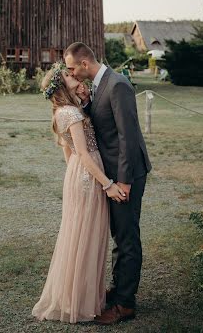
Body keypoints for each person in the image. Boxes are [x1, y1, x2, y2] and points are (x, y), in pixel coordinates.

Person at [64, 42, 152, 325]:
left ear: (84, 64)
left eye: (71, 69)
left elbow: (128, 136)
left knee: (127, 238)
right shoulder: (100, 87)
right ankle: (119, 290)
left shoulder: (118, 85)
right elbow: (104, 125)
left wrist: (124, 181)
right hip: (112, 177)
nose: (72, 74)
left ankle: (125, 305)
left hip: (126, 176)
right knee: (118, 235)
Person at [32, 62, 125, 324]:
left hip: (79, 172)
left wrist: (75, 172)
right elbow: (83, 152)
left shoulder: (65, 110)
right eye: (67, 75)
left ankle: (78, 296)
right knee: (87, 236)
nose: (72, 75)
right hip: (89, 175)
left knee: (80, 235)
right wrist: (107, 184)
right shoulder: (71, 112)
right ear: (61, 84)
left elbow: (68, 152)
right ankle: (80, 301)